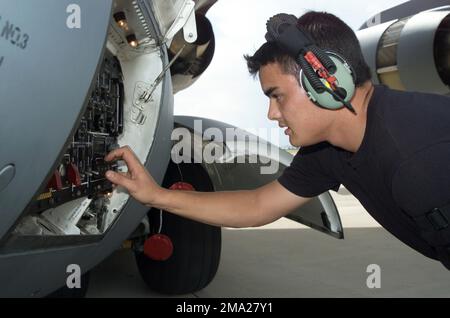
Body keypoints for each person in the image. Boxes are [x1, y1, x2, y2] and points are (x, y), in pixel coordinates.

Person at [105, 11, 450, 269]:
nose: (271, 114)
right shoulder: (327, 151)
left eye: (277, 96)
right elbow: (256, 206)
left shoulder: (416, 159)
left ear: (326, 80)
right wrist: (156, 195)